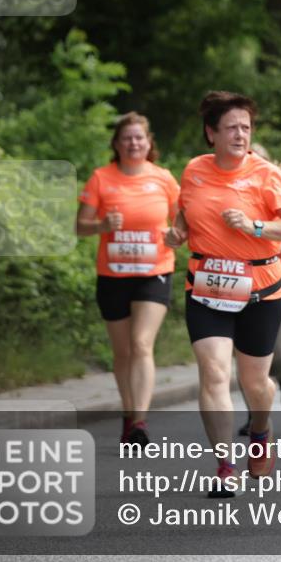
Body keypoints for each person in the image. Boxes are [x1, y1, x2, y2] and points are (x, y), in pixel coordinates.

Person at [165, 91, 281, 497]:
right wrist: (177, 233)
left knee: (256, 383)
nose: (240, 134)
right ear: (211, 133)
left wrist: (254, 227)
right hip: (206, 286)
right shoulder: (194, 171)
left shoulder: (266, 175)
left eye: (246, 127)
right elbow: (185, 212)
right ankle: (224, 466)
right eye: (231, 127)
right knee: (212, 373)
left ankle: (261, 430)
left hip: (260, 291)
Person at [77, 112, 179, 446]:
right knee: (122, 353)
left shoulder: (163, 179)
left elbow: (184, 225)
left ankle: (139, 422)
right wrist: (102, 227)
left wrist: (175, 236)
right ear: (117, 144)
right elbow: (80, 226)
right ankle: (128, 411)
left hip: (154, 271)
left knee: (141, 344)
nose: (134, 143)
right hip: (113, 274)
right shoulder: (101, 178)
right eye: (127, 138)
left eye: (139, 137)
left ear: (149, 143)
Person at [236, 143, 281, 437]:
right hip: (236, 286)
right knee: (243, 356)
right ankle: (255, 417)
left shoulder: (280, 198)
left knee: (272, 354)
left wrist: (264, 245)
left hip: (276, 287)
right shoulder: (236, 200)